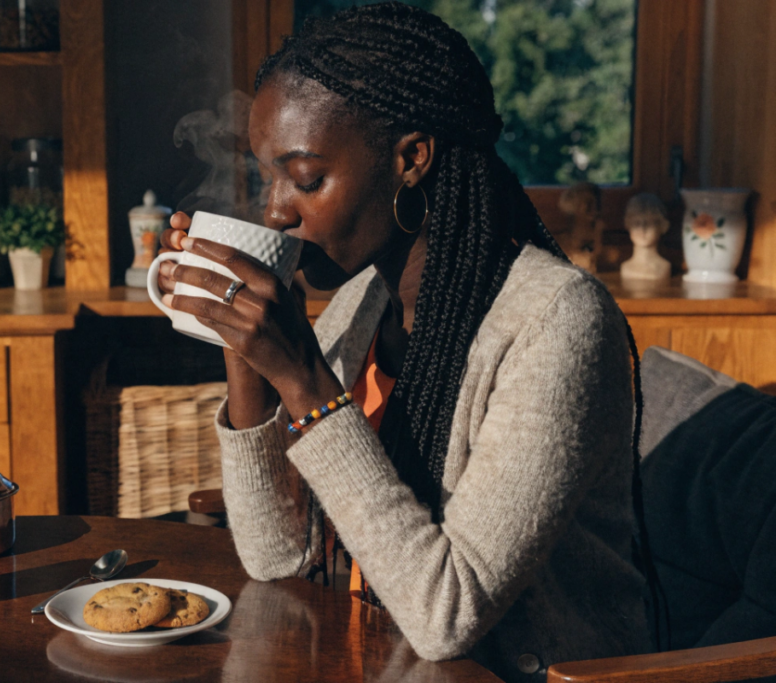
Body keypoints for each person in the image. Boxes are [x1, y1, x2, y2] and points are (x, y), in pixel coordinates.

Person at [157, 4, 652, 680]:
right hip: (374, 660)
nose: (274, 209)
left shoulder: (556, 322)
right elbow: (277, 556)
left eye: (303, 179)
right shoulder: (361, 305)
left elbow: (446, 614)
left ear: (411, 158)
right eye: (265, 176)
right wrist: (245, 350)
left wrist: (303, 377)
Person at [621, 193, 671, 282]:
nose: (642, 228)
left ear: (663, 226)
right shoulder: (625, 267)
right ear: (627, 224)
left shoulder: (664, 267)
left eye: (649, 222)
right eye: (636, 223)